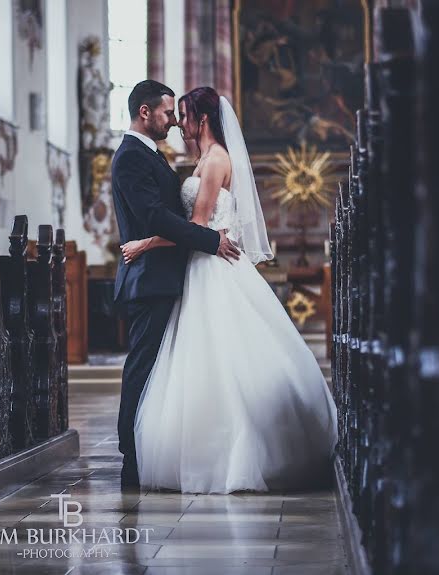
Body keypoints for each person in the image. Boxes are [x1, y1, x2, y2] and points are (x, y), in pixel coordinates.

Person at [122, 86, 338, 493]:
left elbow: (200, 226)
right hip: (201, 264)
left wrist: (146, 242)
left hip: (212, 268)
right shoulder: (204, 159)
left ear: (202, 119)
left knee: (220, 356)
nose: (179, 124)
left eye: (183, 116)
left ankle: (234, 454)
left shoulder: (217, 158)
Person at [110, 80, 241, 490]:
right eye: (168, 113)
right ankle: (131, 454)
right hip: (151, 278)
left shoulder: (151, 155)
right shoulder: (131, 156)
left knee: (165, 368)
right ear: (145, 112)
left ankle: (157, 448)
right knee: (144, 367)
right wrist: (208, 240)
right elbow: (153, 215)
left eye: (179, 114)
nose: (173, 123)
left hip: (168, 274)